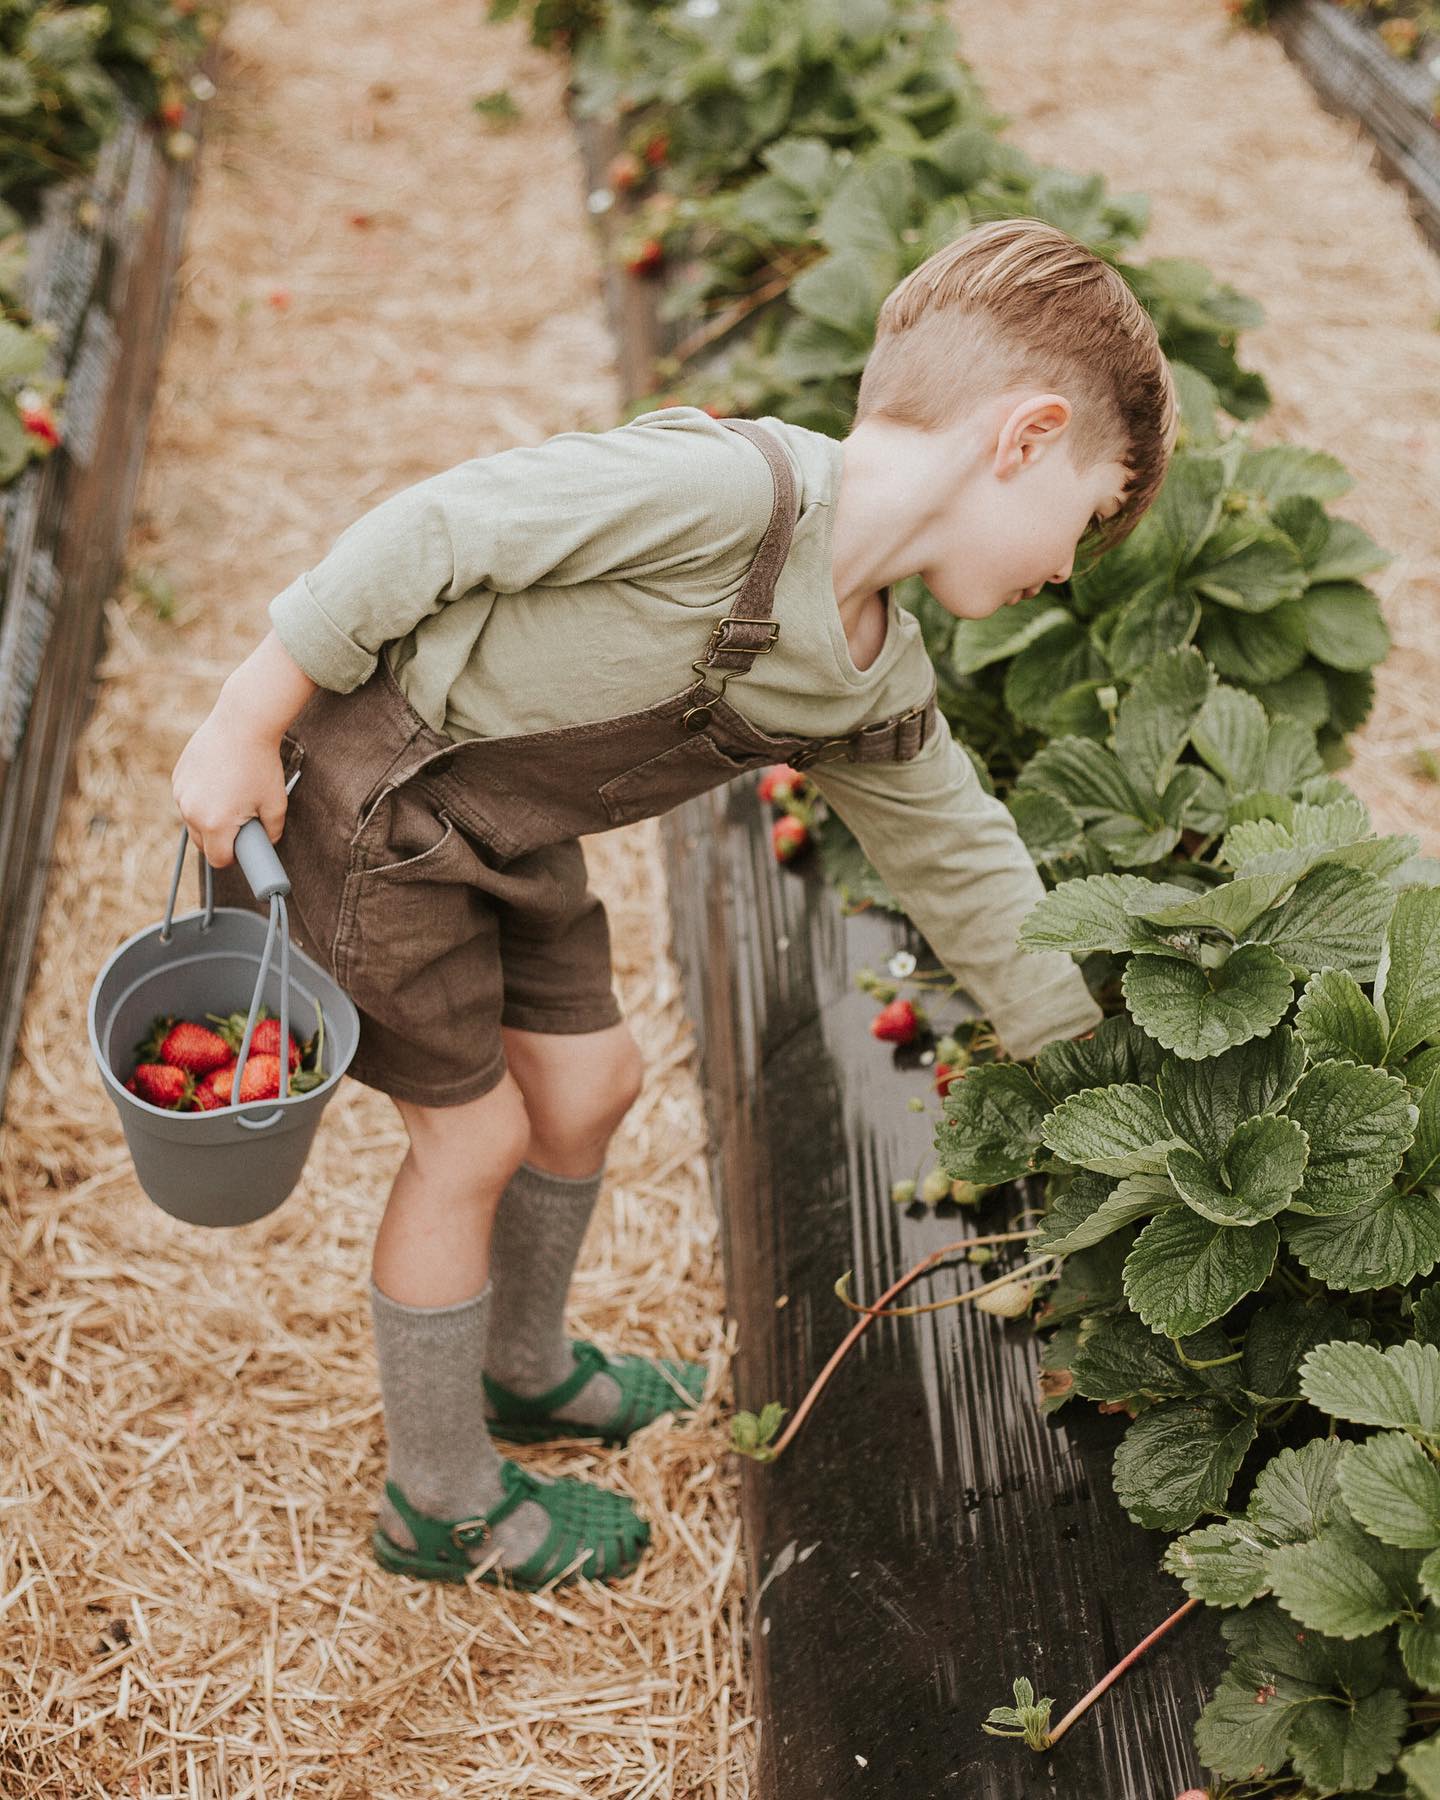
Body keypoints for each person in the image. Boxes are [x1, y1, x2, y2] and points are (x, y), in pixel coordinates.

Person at [170, 217, 1179, 1591]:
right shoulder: (728, 489)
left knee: (590, 1086)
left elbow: (963, 859)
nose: (1077, 559)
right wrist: (246, 713)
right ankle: (440, 1500)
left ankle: (522, 1367)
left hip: (509, 847)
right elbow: (438, 530)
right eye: (1095, 508)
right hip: (380, 814)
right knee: (472, 1145)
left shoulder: (870, 676)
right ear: (1025, 437)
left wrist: (1089, 1060)